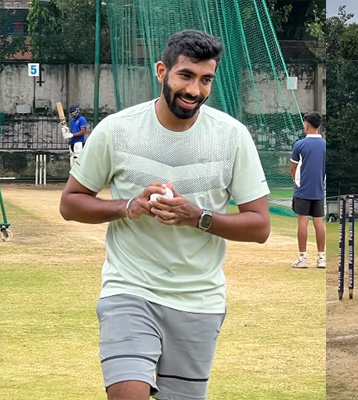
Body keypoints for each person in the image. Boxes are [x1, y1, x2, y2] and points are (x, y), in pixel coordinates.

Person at [59, 30, 271, 400]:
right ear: (162, 71)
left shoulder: (232, 136)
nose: (195, 90)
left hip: (199, 300)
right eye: (185, 76)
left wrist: (197, 217)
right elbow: (71, 202)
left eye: (206, 80)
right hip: (130, 289)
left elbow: (259, 226)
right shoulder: (117, 130)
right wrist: (129, 207)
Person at [290, 111, 326, 269]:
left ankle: (303, 258)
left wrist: (297, 182)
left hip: (303, 190)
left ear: (307, 125)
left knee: (302, 222)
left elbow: (293, 168)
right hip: (319, 190)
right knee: (319, 222)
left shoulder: (300, 144)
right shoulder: (325, 145)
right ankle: (321, 258)